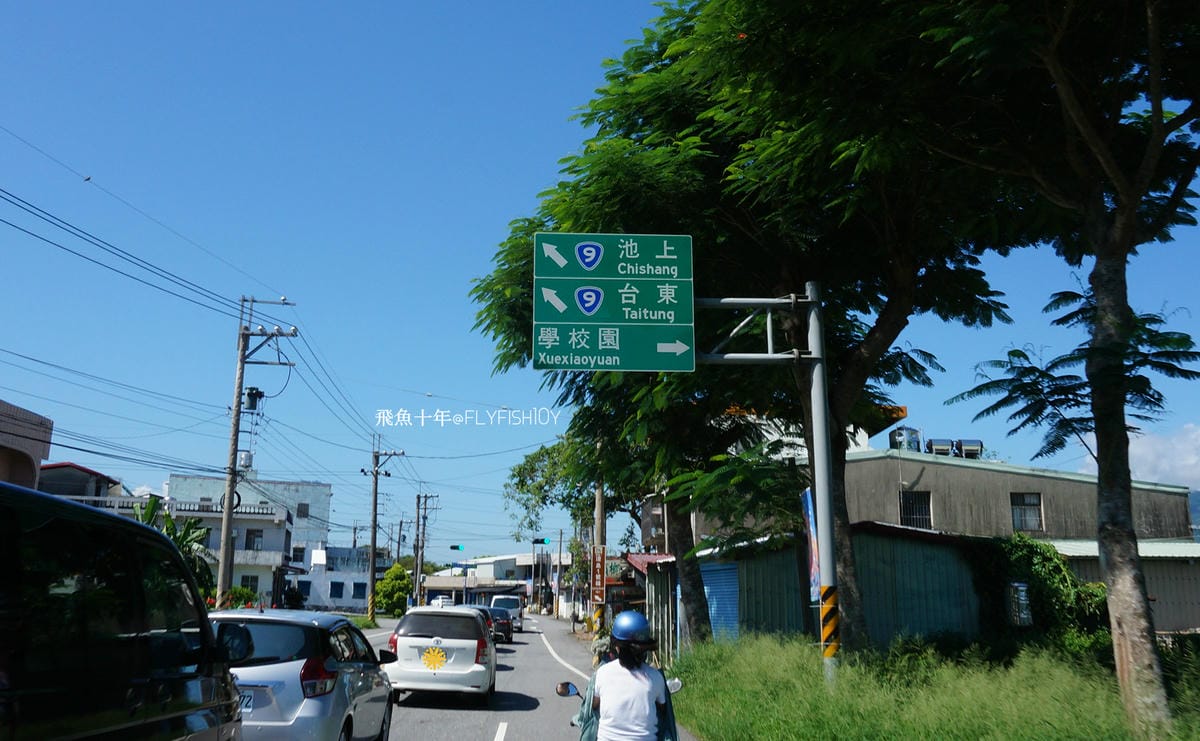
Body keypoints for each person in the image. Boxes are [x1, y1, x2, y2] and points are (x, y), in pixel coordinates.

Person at [589, 610, 675, 741]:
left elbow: (594, 705)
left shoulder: (602, 673)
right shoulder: (655, 677)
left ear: (616, 646)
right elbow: (663, 710)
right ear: (645, 647)